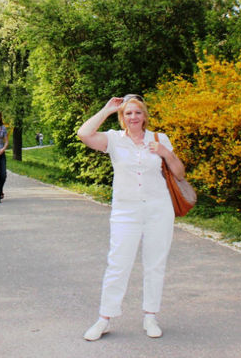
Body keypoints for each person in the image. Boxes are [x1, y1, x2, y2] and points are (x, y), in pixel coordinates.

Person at [76, 94, 186, 341]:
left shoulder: (160, 139)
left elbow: (179, 173)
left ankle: (150, 316)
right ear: (122, 117)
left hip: (159, 209)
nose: (133, 117)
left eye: (137, 112)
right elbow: (84, 134)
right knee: (118, 263)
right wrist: (105, 110)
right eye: (128, 113)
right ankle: (104, 318)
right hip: (126, 211)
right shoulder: (113, 139)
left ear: (145, 116)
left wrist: (166, 153)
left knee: (155, 263)